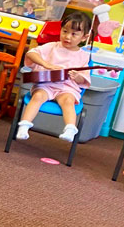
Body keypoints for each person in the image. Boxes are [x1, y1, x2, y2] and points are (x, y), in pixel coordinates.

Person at [14, 12, 93, 142]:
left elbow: (83, 80)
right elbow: (31, 53)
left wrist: (77, 76)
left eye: (74, 34)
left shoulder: (83, 56)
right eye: (65, 31)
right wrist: (46, 64)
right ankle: (24, 126)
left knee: (68, 101)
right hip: (46, 85)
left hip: (67, 88)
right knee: (38, 96)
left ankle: (70, 129)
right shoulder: (52, 46)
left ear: (84, 37)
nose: (67, 36)